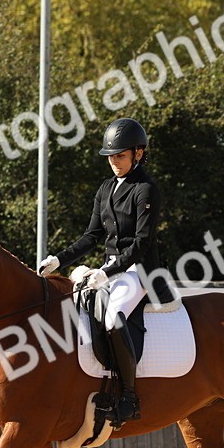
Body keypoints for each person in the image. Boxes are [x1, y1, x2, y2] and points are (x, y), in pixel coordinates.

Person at [37, 118, 164, 427]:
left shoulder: (146, 189)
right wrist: (59, 259)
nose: (114, 162)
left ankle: (129, 399)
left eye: (120, 156)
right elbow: (91, 236)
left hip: (139, 271)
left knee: (112, 317)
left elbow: (141, 243)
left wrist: (108, 272)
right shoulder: (106, 188)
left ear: (138, 154)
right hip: (110, 270)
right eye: (110, 156)